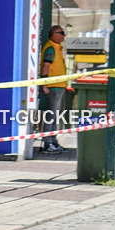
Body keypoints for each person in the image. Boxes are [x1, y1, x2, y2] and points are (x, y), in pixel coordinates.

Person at [39, 25, 67, 154]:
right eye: (61, 33)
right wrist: (45, 84)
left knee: (55, 116)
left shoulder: (57, 48)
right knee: (51, 115)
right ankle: (47, 143)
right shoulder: (51, 48)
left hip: (58, 86)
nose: (63, 35)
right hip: (52, 86)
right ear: (53, 34)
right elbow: (46, 66)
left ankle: (53, 141)